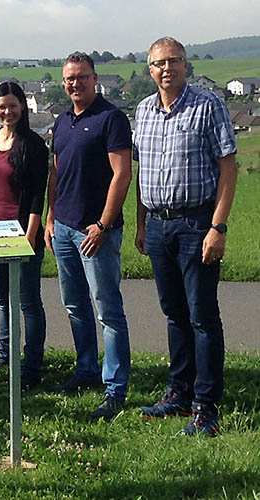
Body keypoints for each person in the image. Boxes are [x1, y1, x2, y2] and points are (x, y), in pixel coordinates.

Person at [134, 37, 237, 437]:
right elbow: (143, 175)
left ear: (186, 64)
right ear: (150, 70)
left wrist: (218, 226)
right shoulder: (142, 111)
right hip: (159, 224)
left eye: (173, 61)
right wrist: (142, 224)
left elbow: (228, 168)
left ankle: (206, 405)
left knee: (202, 316)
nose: (166, 68)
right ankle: (179, 391)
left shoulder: (207, 104)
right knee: (174, 313)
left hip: (197, 225)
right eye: (158, 63)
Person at [44, 52, 132, 420]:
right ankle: (85, 370)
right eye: (69, 79)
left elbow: (122, 174)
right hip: (63, 228)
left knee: (107, 310)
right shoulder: (61, 121)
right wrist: (50, 218)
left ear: (95, 79)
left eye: (81, 77)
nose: (75, 84)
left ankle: (115, 388)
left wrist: (104, 224)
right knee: (75, 306)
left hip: (96, 232)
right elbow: (56, 173)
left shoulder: (111, 119)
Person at [0, 81, 48, 389]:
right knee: (2, 299)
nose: (8, 112)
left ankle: (31, 367)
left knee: (28, 302)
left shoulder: (32, 145)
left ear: (23, 107)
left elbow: (36, 195)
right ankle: (6, 358)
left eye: (13, 106)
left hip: (21, 233)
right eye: (2, 106)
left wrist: (30, 237)